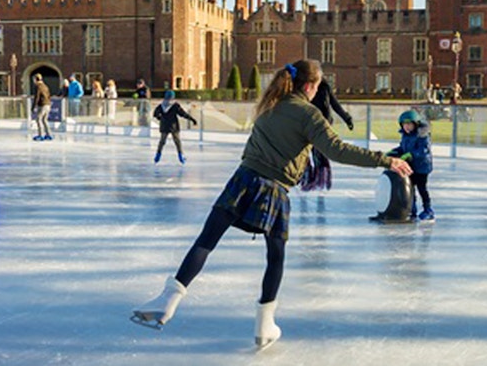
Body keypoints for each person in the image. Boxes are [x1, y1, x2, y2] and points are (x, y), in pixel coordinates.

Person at [131, 60, 411, 350]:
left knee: (207, 239)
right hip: (274, 188)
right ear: (310, 86)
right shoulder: (309, 115)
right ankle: (264, 325)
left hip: (242, 180)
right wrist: (385, 159)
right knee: (275, 256)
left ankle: (168, 299)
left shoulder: (270, 104)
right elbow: (337, 150)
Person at [301, 77, 354, 192]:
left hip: (323, 124)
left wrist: (347, 118)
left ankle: (321, 178)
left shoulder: (325, 88)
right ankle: (307, 176)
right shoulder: (304, 87)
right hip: (307, 123)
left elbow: (335, 104)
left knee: (320, 151)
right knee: (305, 151)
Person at [386, 110, 435, 220]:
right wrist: (393, 152)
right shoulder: (405, 136)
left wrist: (410, 154)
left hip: (422, 167)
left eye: (409, 124)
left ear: (415, 124)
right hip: (411, 166)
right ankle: (412, 209)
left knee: (422, 189)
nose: (406, 127)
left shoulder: (422, 135)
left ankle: (428, 209)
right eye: (404, 124)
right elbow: (402, 148)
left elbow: (423, 151)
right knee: (410, 188)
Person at [152, 90, 197, 164]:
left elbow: (155, 114)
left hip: (164, 125)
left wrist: (160, 118)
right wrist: (192, 119)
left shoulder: (161, 105)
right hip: (174, 126)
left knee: (162, 141)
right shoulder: (175, 105)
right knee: (177, 142)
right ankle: (181, 156)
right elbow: (183, 114)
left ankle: (157, 155)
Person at [31, 73, 53, 141]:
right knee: (44, 120)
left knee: (38, 119)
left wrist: (33, 107)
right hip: (48, 105)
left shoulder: (38, 86)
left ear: (36, 79)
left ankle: (40, 135)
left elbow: (37, 97)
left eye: (34, 79)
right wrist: (49, 103)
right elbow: (49, 95)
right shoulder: (45, 86)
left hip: (42, 105)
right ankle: (48, 134)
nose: (33, 81)